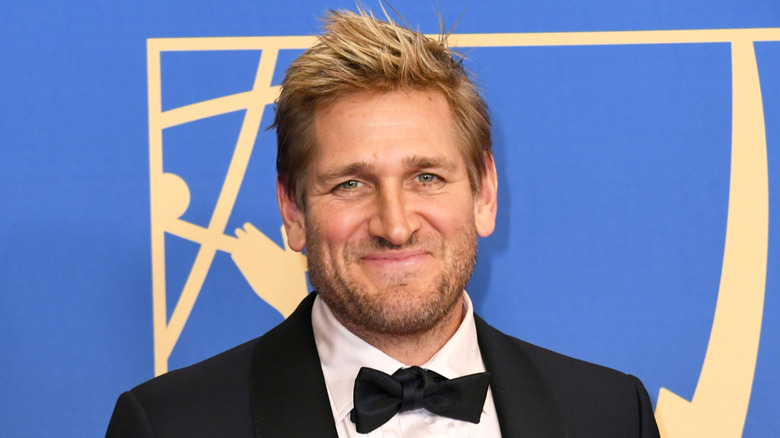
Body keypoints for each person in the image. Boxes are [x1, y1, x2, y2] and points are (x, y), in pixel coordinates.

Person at [107, 7, 660, 437]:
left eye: (426, 177)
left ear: (485, 193)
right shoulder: (171, 426)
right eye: (350, 184)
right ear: (293, 212)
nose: (395, 226)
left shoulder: (610, 415)